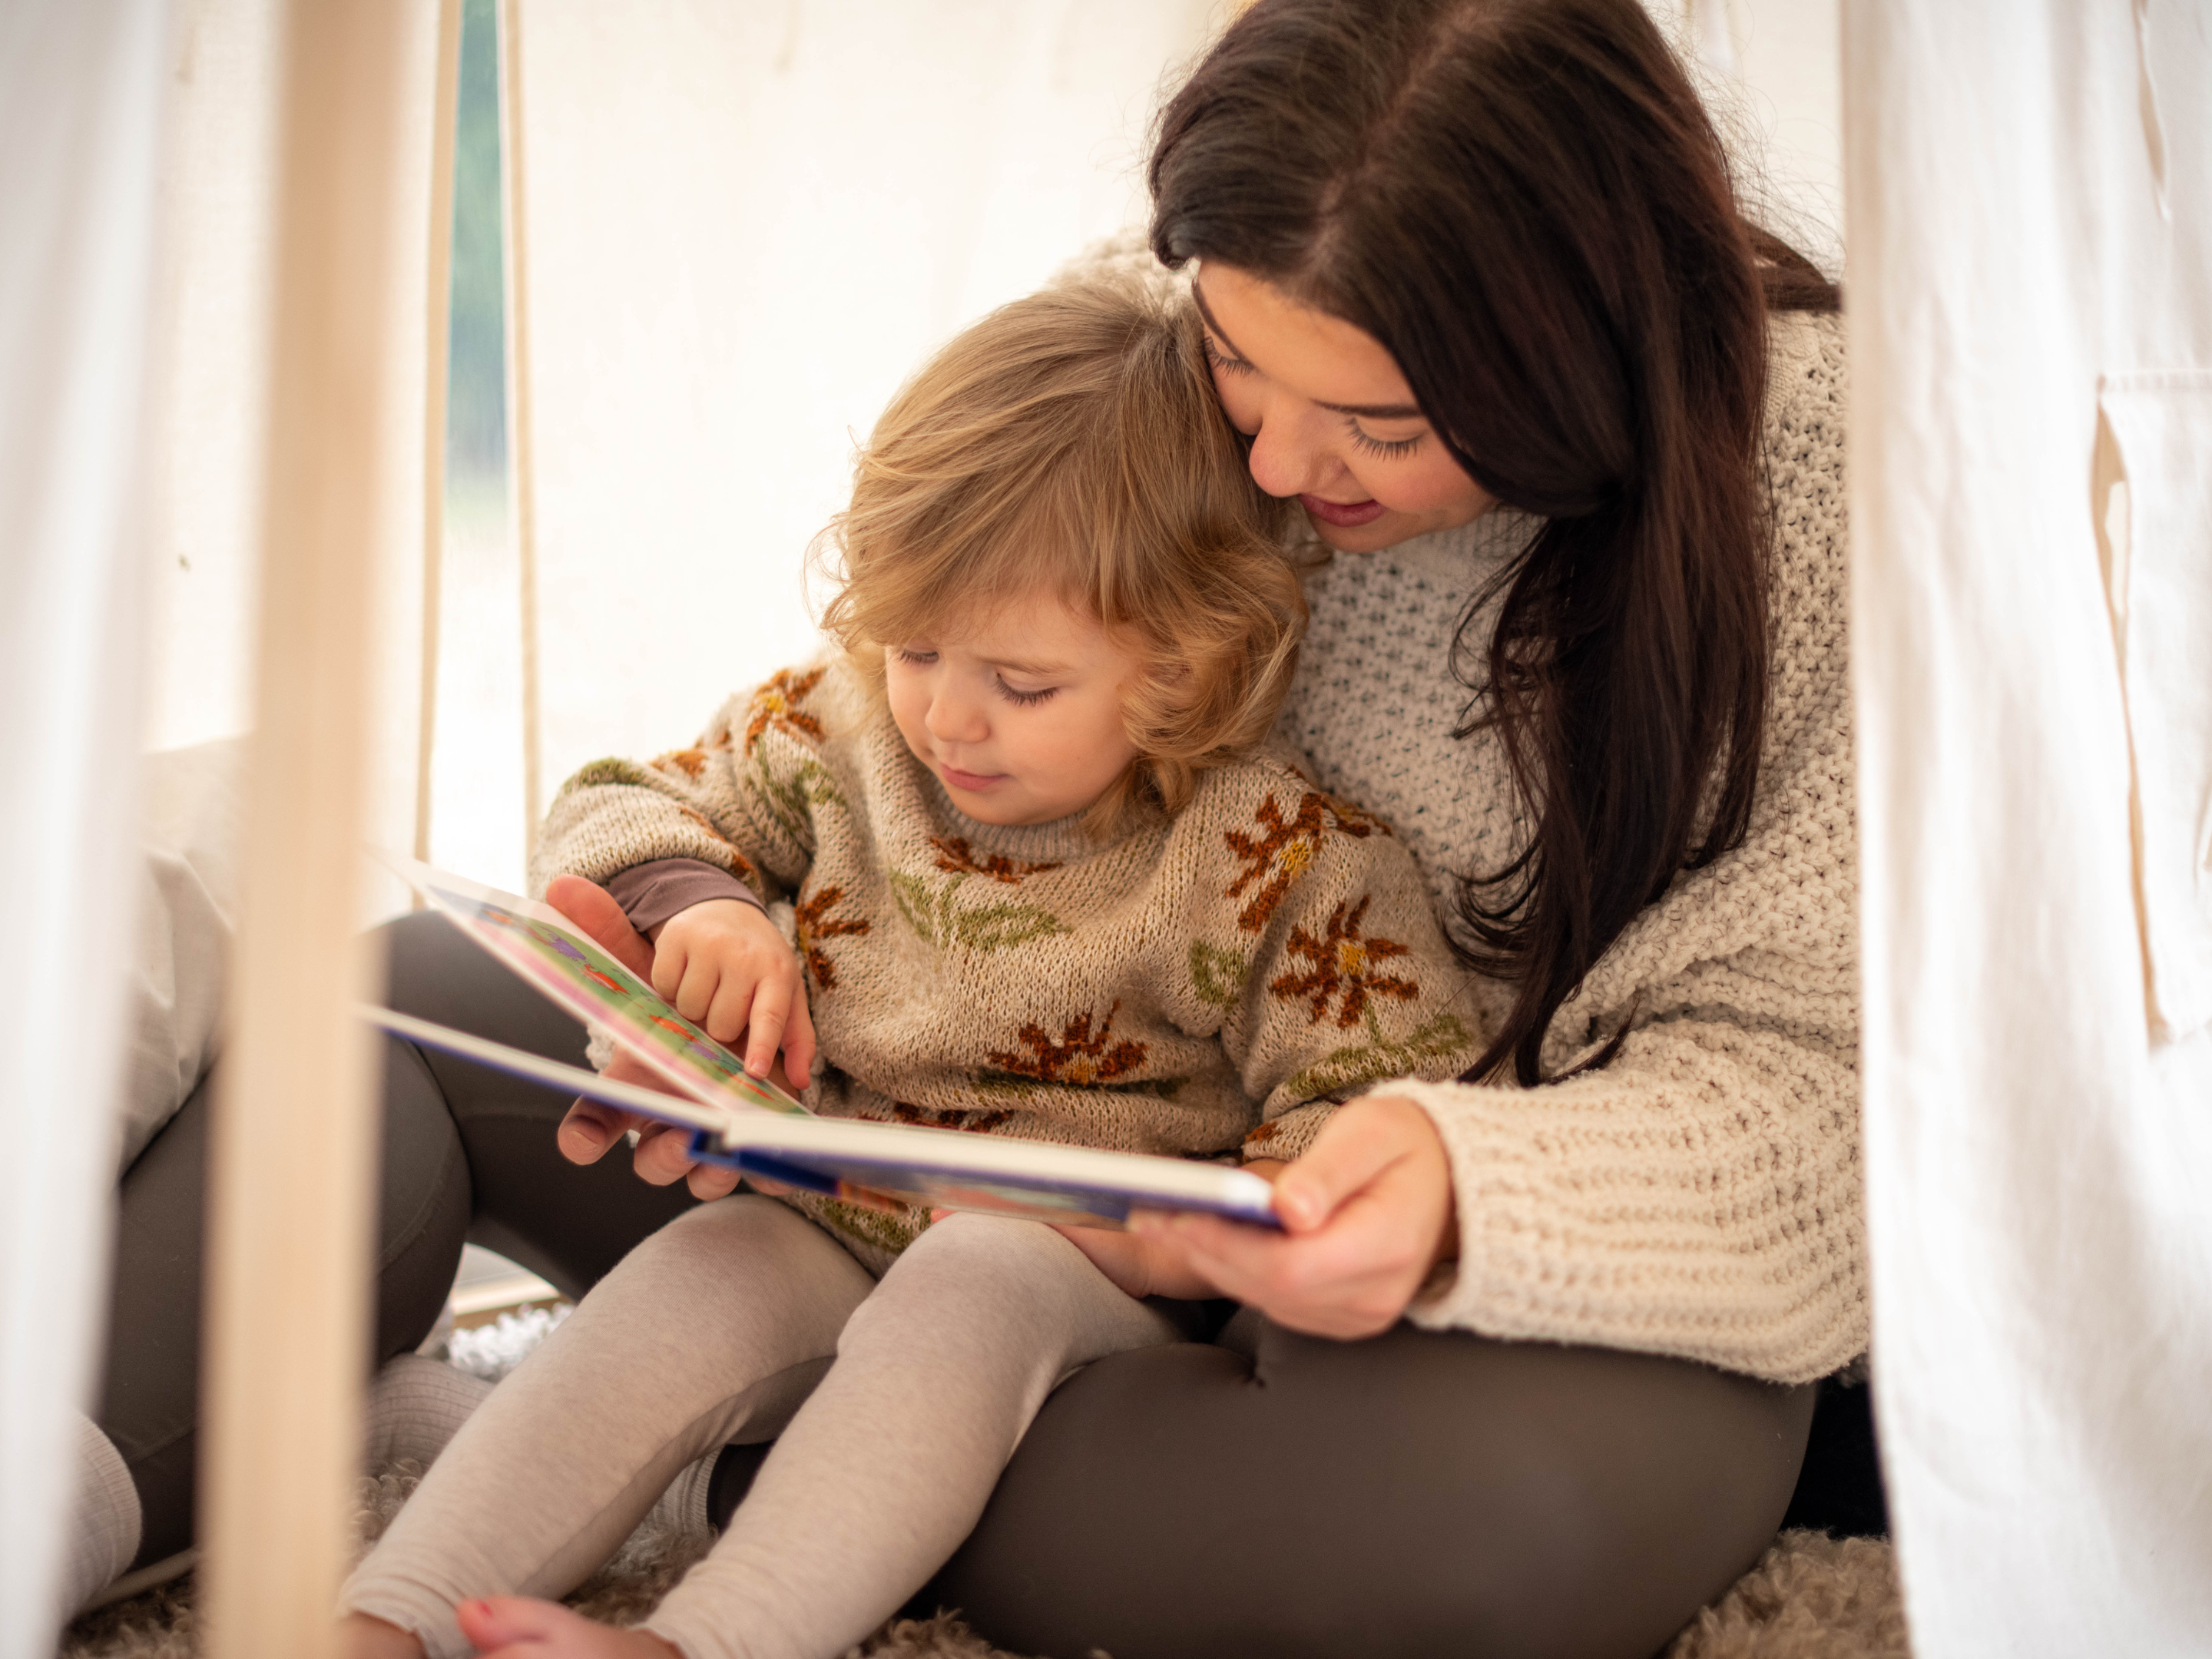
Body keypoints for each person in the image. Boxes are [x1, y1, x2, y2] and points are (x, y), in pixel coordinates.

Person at [86, 0, 1871, 1649]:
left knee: (1497, 1530)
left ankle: (739, 1496)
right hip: (866, 1163)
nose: (1267, 472)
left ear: (1583, 351)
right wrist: (710, 930)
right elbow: (866, 725)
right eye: (1242, 367)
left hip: (1323, 1287)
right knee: (381, 1010)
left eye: (1378, 427)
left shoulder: (1832, 493)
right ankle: (89, 1498)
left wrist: (1445, 1194)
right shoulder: (1154, 357)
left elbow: (1823, 1105)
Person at [338, 270, 1484, 1659]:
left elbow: (1389, 1123)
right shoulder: (841, 725)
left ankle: (708, 1643)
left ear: (1191, 661)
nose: (946, 715)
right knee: (700, 1271)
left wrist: (1166, 1230)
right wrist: (704, 905)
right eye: (916, 646)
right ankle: (390, 1615)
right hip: (824, 1206)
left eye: (1023, 683)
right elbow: (622, 798)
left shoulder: (1287, 858)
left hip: (1090, 1291)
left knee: (974, 1278)